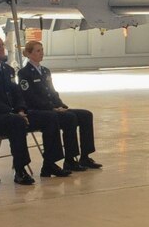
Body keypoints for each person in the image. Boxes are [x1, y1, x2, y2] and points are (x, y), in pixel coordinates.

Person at [0, 34, 70, 185]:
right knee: (17, 122)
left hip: (12, 114)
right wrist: (11, 111)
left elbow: (17, 93)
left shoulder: (7, 70)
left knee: (50, 117)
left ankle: (49, 164)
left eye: (2, 45)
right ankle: (20, 170)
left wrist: (21, 109)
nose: (2, 49)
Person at [18, 41, 102, 171]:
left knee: (86, 115)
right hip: (40, 110)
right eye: (38, 51)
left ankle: (85, 156)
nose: (41, 53)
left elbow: (52, 91)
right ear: (29, 54)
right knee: (70, 118)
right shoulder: (24, 73)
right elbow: (30, 97)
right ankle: (70, 159)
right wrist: (51, 108)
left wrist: (61, 105)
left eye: (42, 50)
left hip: (54, 107)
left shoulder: (45, 71)